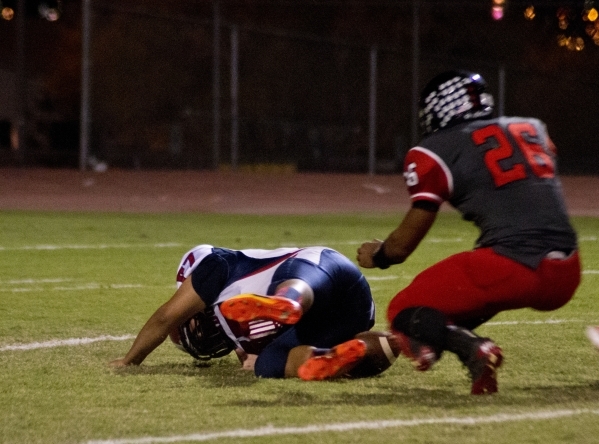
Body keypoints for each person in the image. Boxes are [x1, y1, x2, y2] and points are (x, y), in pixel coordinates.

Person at [357, 70, 581, 394]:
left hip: (514, 266)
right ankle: (448, 348)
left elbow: (405, 244)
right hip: (567, 271)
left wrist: (380, 255)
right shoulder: (531, 129)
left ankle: (473, 349)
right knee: (440, 316)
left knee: (404, 310)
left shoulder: (434, 150)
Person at [110, 244, 400, 380]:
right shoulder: (237, 314)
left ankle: (290, 302)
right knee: (267, 364)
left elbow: (164, 318)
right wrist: (249, 355)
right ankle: (377, 347)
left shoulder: (216, 265)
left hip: (321, 269)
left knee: (291, 293)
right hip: (352, 313)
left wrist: (129, 360)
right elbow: (248, 350)